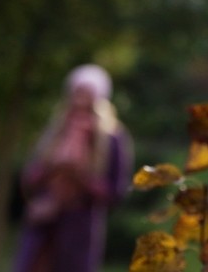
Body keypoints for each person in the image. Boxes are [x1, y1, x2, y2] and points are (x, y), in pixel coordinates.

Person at [14, 64, 134, 272]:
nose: (80, 100)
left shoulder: (112, 138)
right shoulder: (55, 131)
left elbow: (115, 192)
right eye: (77, 92)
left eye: (86, 94)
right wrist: (53, 168)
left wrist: (80, 177)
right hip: (44, 225)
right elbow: (29, 177)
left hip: (79, 229)